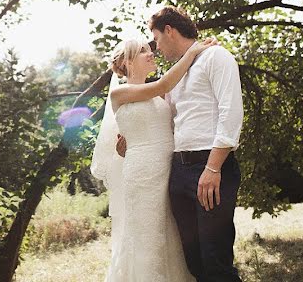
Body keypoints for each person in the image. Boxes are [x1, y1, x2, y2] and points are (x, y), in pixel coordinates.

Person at [117, 6, 245, 282]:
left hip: (210, 167)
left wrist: (212, 169)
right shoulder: (176, 75)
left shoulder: (216, 57)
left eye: (157, 40)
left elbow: (231, 114)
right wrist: (132, 135)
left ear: (169, 31)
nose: (156, 49)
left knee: (216, 259)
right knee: (193, 261)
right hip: (178, 173)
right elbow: (168, 122)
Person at [91, 34, 218, 281]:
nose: (151, 53)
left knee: (172, 238)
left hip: (170, 172)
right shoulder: (121, 94)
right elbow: (162, 86)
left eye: (150, 49)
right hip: (142, 175)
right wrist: (192, 52)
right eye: (142, 51)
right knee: (146, 240)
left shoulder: (160, 95)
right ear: (127, 63)